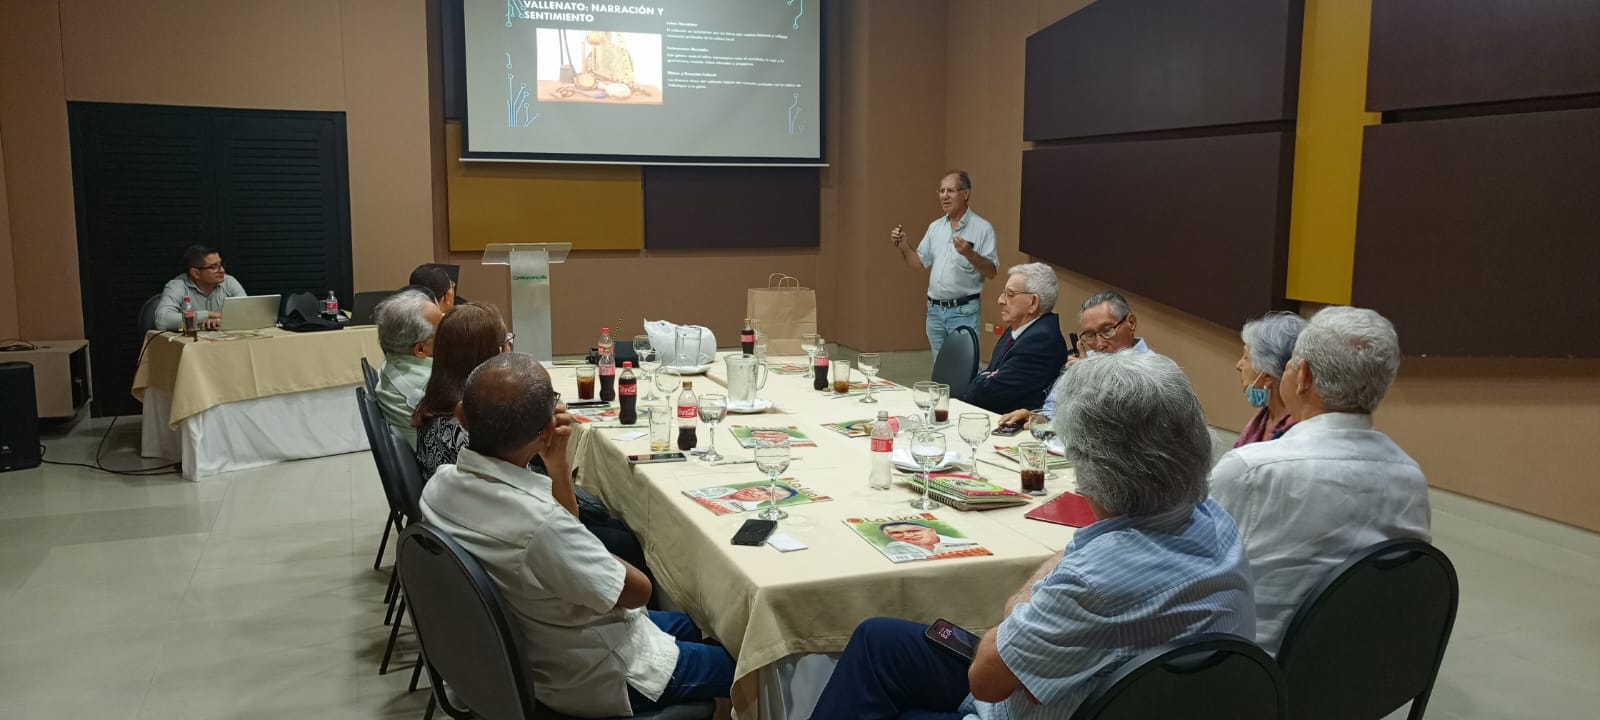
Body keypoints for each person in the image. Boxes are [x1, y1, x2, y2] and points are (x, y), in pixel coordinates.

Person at [810, 352, 1255, 719]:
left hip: (1020, 704)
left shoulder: (1093, 581)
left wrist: (1024, 596)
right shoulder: (1215, 520)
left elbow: (985, 681)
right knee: (876, 639)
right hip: (1148, 699)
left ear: (1092, 470)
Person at [420, 354, 734, 718]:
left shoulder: (438, 486)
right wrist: (585, 545)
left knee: (689, 624)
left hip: (528, 651)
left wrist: (556, 463)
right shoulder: (541, 526)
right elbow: (638, 592)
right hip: (590, 677)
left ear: (461, 415)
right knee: (741, 667)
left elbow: (564, 529)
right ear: (546, 429)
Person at [1209, 306, 1429, 656]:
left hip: (1256, 674)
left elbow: (1197, 576)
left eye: (1292, 362)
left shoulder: (1250, 469)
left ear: (1303, 376)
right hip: (1362, 673)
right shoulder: (1412, 478)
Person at [411, 301, 656, 598]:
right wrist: (554, 458)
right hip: (503, 551)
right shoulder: (476, 428)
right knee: (625, 539)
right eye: (507, 342)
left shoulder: (439, 406)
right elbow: (557, 523)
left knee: (612, 526)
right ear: (494, 355)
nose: (510, 349)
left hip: (475, 549)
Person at [996, 290, 1152, 428]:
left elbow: (1116, 427)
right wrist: (1037, 418)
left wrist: (1091, 379)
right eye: (1090, 335)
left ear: (1131, 323)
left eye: (1107, 330)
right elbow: (1052, 409)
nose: (1099, 344)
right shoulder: (1087, 361)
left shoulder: (1158, 372)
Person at [890, 170, 999, 357]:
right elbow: (918, 264)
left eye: (950, 191)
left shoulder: (982, 228)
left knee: (963, 371)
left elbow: (991, 272)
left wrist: (969, 253)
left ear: (965, 193)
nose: (944, 196)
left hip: (963, 312)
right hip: (935, 312)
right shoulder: (935, 227)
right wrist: (904, 246)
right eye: (941, 191)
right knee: (940, 371)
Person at [963, 263, 1069, 414]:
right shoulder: (1018, 329)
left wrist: (981, 381)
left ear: (1033, 303)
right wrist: (987, 378)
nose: (1000, 300)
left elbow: (984, 395)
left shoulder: (1041, 341)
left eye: (1010, 294)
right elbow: (990, 375)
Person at [374, 288, 442, 446]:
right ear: (420, 349)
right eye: (442, 329)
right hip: (436, 464)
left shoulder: (394, 360)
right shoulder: (426, 384)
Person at [1232, 311, 1308, 447]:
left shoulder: (1297, 436)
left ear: (1267, 375)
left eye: (1246, 358)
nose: (1238, 365)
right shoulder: (1264, 419)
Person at [154, 245, 248, 331]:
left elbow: (248, 313)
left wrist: (220, 321)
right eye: (214, 267)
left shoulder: (229, 282)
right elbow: (162, 321)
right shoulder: (177, 286)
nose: (222, 270)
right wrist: (208, 314)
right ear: (196, 273)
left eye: (221, 265)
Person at [879, 521, 979, 560]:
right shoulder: (894, 548)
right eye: (896, 533)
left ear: (932, 531)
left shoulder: (967, 543)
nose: (907, 536)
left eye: (914, 530)